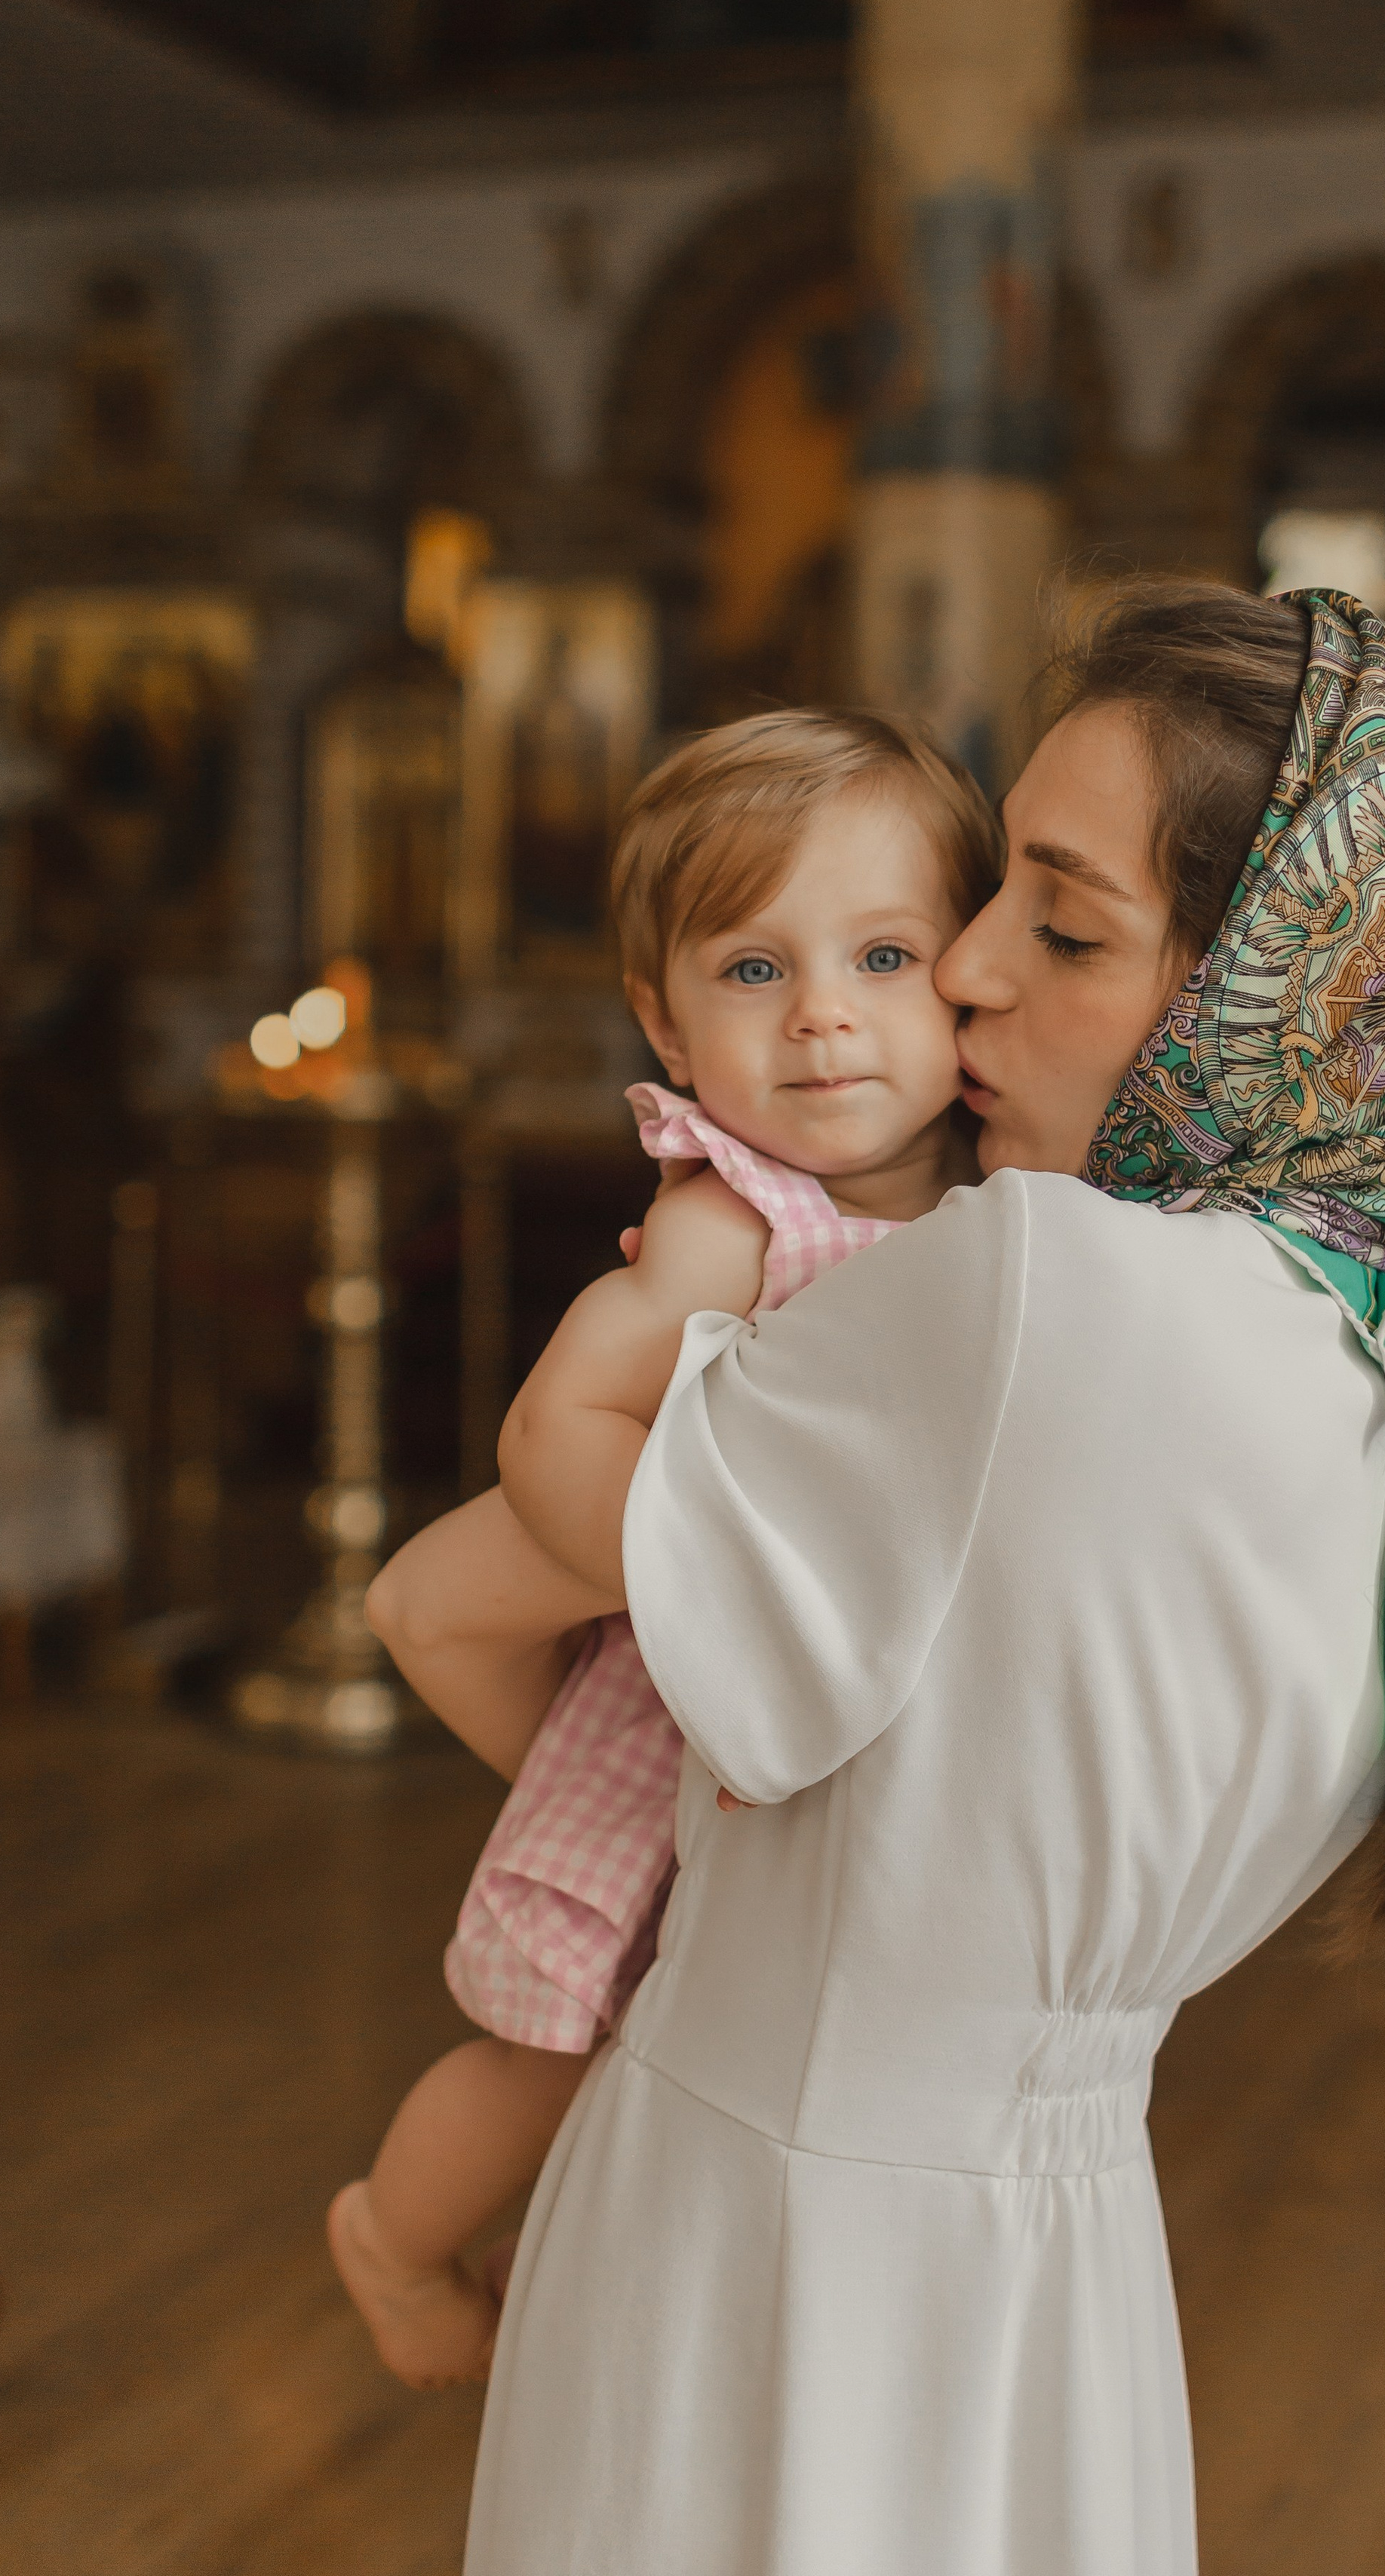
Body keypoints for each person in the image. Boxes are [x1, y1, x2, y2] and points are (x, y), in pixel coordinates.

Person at [371, 584, 1385, 2575]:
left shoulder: (1030, 1283)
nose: (953, 975)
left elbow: (466, 1591)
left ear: (1270, 987)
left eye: (1055, 920)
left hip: (759, 2227)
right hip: (1058, 2262)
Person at [330, 710, 1000, 2388]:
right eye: (752, 971)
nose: (825, 1012)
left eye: (881, 954)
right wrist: (693, 1595)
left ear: (965, 976)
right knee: (545, 2045)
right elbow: (554, 1432)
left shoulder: (1003, 1198)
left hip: (833, 1706)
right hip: (676, 1687)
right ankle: (396, 2251)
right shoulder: (737, 1215)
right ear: (662, 1016)